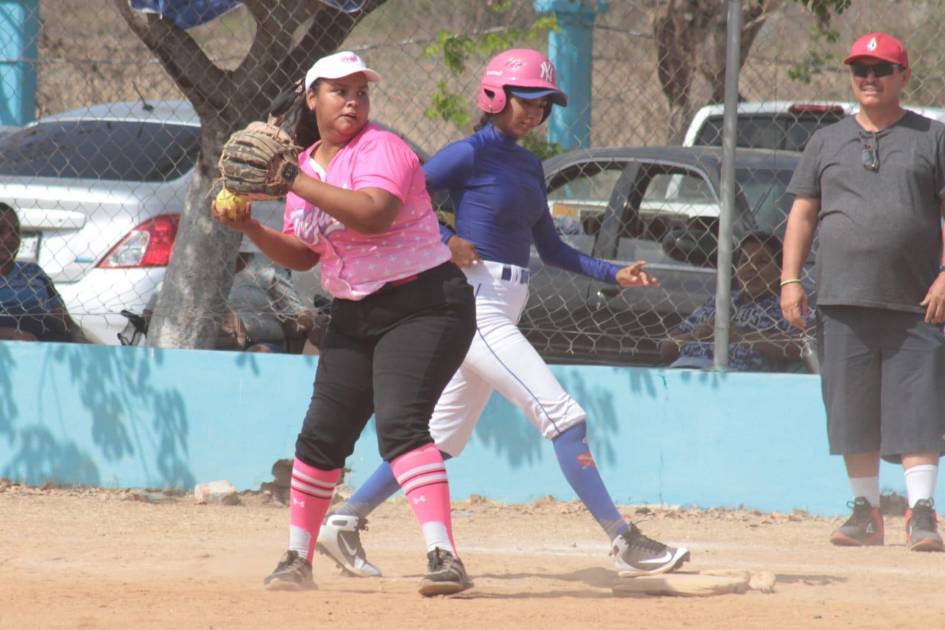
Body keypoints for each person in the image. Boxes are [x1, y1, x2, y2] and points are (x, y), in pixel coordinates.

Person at [317, 48, 690, 580]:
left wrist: (613, 274)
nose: (535, 112)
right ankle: (624, 540)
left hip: (502, 307)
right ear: (494, 96)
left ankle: (344, 520)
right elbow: (399, 202)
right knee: (564, 417)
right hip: (475, 304)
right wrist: (446, 237)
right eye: (526, 100)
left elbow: (552, 249)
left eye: (543, 104)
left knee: (439, 438)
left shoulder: (528, 165)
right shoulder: (467, 154)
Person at [213, 50, 477, 593]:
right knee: (321, 436)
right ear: (312, 99)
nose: (353, 101)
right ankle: (296, 558)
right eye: (340, 91)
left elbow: (374, 214)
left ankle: (444, 556)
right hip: (355, 311)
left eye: (361, 92)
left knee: (401, 425)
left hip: (425, 303)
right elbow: (303, 253)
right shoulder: (306, 166)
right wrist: (251, 229)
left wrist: (290, 178)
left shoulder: (383, 148)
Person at [782, 32, 945, 552]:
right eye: (860, 70)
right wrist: (790, 278)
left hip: (917, 302)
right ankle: (866, 512)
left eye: (881, 70)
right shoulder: (826, 141)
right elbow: (803, 212)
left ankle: (922, 513)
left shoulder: (932, 137)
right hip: (840, 298)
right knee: (851, 409)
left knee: (919, 407)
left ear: (904, 76)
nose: (869, 79)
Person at [661, 231, 811, 372]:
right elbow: (666, 349)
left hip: (737, 376)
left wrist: (738, 335)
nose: (751, 267)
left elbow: (804, 345)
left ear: (780, 271)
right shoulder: (717, 302)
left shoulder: (786, 306)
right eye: (745, 260)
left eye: (762, 261)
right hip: (686, 369)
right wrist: (698, 334)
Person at [0, 202, 86, 343]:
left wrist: (81, 340)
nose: (9, 238)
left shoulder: (33, 272)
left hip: (51, 346)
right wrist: (12, 335)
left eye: (15, 231)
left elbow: (65, 320)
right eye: (0, 230)